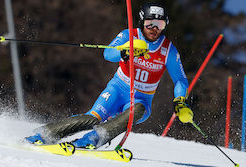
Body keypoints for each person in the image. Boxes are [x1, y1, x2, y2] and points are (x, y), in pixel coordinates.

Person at [26, 2, 192, 149]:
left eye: (159, 24)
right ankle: (44, 134)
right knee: (92, 119)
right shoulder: (129, 35)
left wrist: (180, 100)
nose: (154, 29)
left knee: (137, 111)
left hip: (142, 98)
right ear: (142, 21)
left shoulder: (168, 50)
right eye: (150, 23)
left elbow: (180, 79)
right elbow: (107, 53)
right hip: (118, 89)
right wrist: (125, 51)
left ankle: (92, 139)